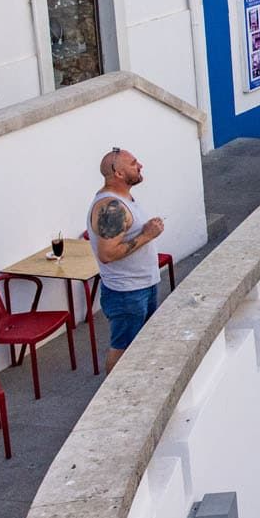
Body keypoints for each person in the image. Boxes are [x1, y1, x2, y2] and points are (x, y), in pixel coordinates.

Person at [87, 148, 166, 373]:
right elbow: (107, 254)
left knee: (141, 346)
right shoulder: (111, 207)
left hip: (141, 286)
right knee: (122, 351)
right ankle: (113, 402)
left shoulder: (124, 199)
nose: (140, 165)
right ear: (119, 174)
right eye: (133, 164)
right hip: (127, 293)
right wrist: (147, 235)